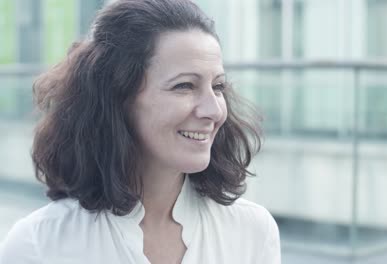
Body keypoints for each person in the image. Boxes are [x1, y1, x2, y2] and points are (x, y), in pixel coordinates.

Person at [0, 0, 281, 263]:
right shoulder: (38, 245)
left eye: (218, 87)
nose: (214, 110)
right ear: (118, 99)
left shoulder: (253, 232)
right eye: (184, 86)